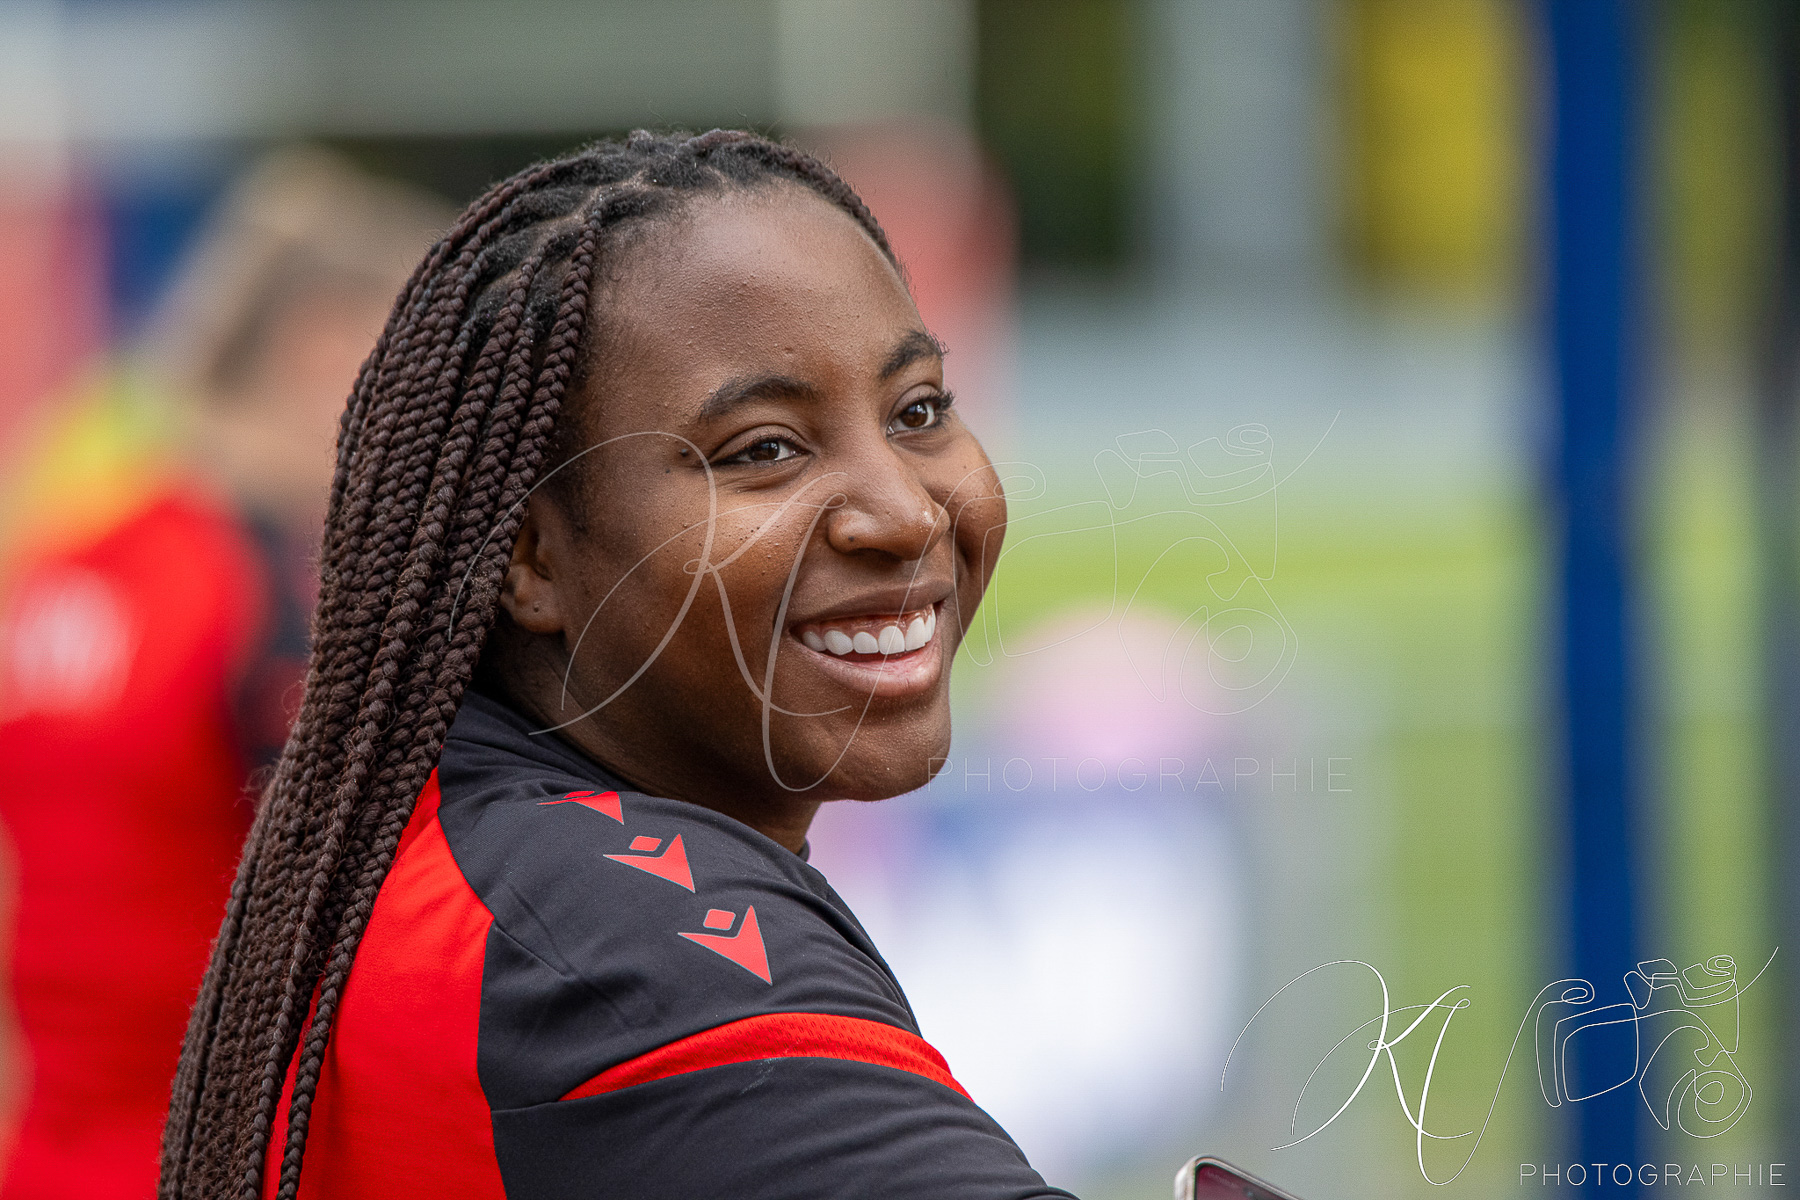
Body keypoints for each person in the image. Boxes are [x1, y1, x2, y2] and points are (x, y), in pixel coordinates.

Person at [157, 130, 1073, 1200]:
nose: (906, 513)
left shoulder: (450, 836)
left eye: (918, 412)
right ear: (531, 558)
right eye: (764, 448)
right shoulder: (620, 948)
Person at [0, 149, 445, 1199]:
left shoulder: (63, 564)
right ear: (322, 345)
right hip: (228, 1155)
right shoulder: (268, 591)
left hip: (56, 1153)